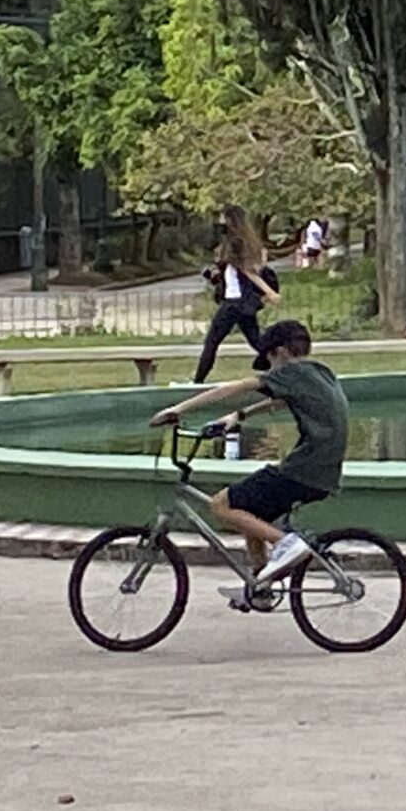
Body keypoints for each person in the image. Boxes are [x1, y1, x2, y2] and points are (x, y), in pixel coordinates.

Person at [146, 318, 345, 602]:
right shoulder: (318, 373)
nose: (270, 368)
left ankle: (287, 545)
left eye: (269, 361)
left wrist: (177, 409)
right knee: (250, 513)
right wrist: (239, 416)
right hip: (321, 471)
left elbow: (237, 387)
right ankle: (261, 586)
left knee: (221, 504)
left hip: (305, 470)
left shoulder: (291, 371)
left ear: (281, 352)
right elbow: (281, 400)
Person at [194, 207, 281, 384]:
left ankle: (197, 381)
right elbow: (236, 274)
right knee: (257, 342)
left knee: (211, 342)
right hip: (245, 303)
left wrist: (270, 292)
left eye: (223, 218)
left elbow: (248, 272)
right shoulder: (244, 242)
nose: (219, 222)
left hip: (233, 303)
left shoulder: (235, 243)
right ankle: (280, 366)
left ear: (230, 220)